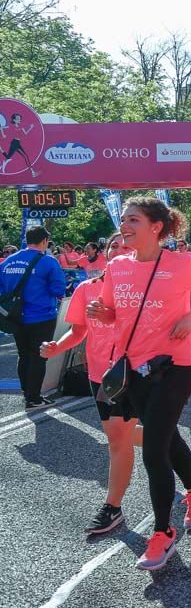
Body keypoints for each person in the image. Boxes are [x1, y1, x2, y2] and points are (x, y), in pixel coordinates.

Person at [86, 196, 191, 571]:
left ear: (156, 227)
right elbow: (113, 315)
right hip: (134, 368)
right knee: (165, 436)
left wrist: (189, 319)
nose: (124, 226)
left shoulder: (181, 263)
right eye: (124, 220)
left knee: (153, 449)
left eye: (133, 220)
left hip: (176, 365)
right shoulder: (117, 266)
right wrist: (102, 312)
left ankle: (162, 534)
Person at [40, 235, 141, 534]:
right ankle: (170, 446)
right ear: (106, 254)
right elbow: (78, 331)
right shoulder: (87, 289)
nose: (119, 251)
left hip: (137, 372)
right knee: (119, 435)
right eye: (114, 247)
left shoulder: (146, 291)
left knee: (116, 439)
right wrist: (57, 347)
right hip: (100, 374)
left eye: (127, 247)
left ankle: (112, 507)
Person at [0, 226, 65, 409]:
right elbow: (58, 290)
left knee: (23, 354)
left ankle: (26, 392)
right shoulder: (49, 262)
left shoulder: (8, 261)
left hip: (14, 317)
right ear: (45, 241)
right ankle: (34, 397)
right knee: (38, 357)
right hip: (42, 316)